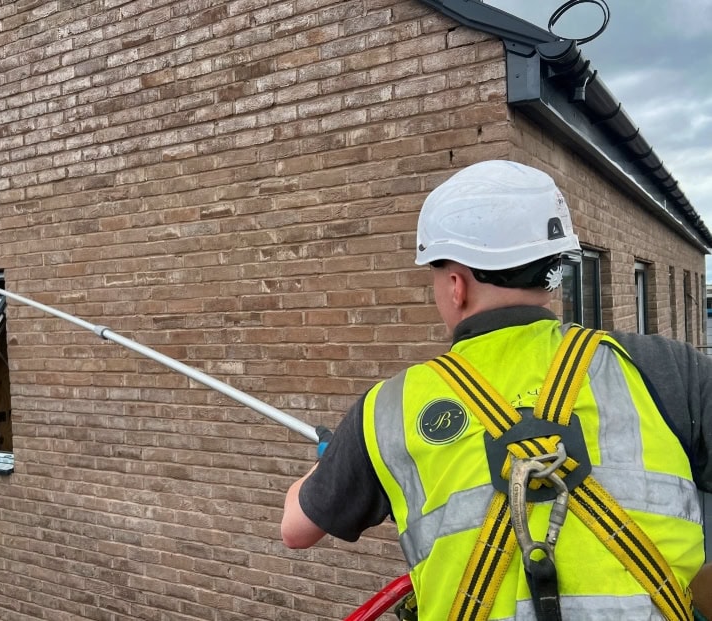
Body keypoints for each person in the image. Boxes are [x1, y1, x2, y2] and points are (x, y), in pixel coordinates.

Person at [280, 160, 712, 620]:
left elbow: (296, 528)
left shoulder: (387, 411)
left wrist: (337, 458)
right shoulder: (667, 367)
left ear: (455, 285)